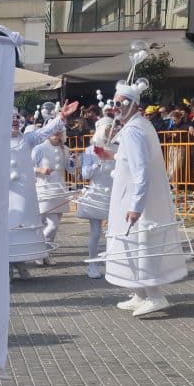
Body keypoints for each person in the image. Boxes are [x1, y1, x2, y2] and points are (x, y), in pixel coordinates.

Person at [104, 81, 188, 317]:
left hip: (135, 200)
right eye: (114, 103)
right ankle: (140, 294)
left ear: (133, 104)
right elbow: (132, 159)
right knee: (131, 245)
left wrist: (136, 206)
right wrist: (113, 156)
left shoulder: (133, 130)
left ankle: (155, 296)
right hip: (129, 197)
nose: (115, 108)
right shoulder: (139, 125)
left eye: (120, 103)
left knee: (141, 244)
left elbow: (141, 171)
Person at [7, 102, 78, 280]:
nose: (14, 120)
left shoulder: (27, 139)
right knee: (10, 227)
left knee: (24, 226)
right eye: (11, 117)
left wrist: (61, 117)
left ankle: (21, 263)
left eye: (17, 117)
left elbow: (45, 132)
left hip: (25, 193)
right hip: (7, 193)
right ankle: (9, 265)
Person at [78, 117, 115, 279]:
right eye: (108, 128)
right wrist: (97, 162)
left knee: (115, 231)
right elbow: (85, 174)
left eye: (113, 128)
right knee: (96, 231)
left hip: (114, 193)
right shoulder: (90, 150)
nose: (111, 131)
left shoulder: (118, 147)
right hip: (96, 193)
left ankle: (114, 263)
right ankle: (92, 265)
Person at [31, 127, 74, 255]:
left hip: (59, 192)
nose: (56, 133)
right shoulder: (39, 148)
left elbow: (71, 170)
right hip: (44, 191)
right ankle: (39, 251)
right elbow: (27, 167)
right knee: (45, 225)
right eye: (54, 130)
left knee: (54, 227)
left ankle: (46, 254)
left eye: (59, 131)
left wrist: (74, 161)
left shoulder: (65, 149)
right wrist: (40, 170)